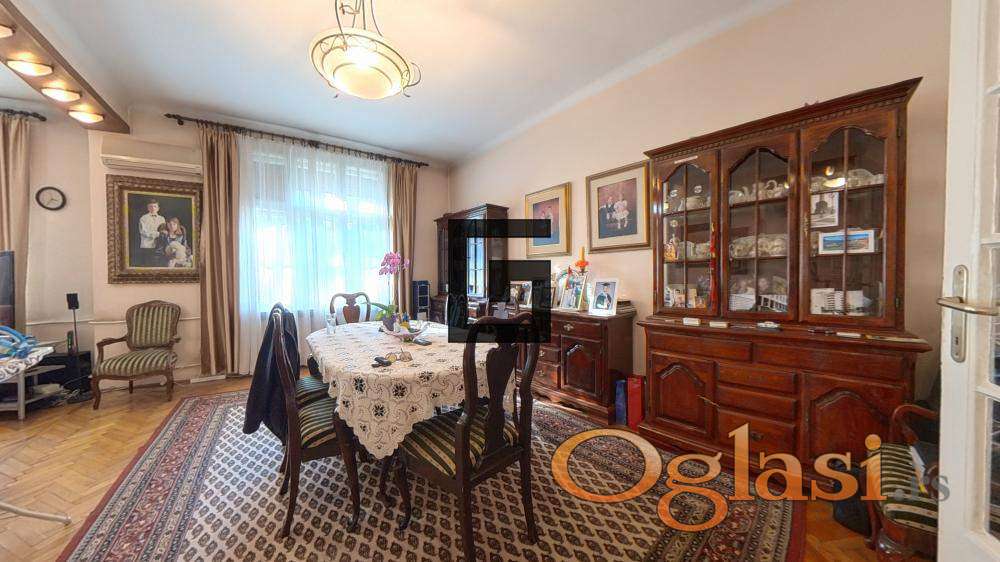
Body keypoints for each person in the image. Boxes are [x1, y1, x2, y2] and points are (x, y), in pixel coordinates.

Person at [137, 199, 165, 266]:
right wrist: (158, 234)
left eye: (155, 206)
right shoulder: (143, 218)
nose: (153, 208)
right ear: (148, 208)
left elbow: (163, 231)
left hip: (159, 246)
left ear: (158, 208)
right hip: (147, 246)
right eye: (150, 206)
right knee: (148, 266)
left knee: (157, 266)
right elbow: (144, 232)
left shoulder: (162, 219)